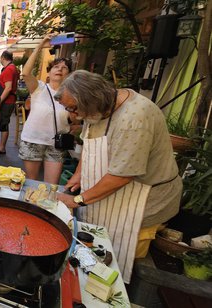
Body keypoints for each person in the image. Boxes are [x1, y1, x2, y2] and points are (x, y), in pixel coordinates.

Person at [55, 70, 182, 282]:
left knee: (118, 259)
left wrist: (77, 200)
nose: (74, 116)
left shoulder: (134, 118)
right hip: (111, 195)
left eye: (74, 109)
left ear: (90, 100)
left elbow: (122, 176)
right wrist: (79, 173)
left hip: (143, 200)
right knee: (95, 251)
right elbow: (89, 143)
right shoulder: (97, 108)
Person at [19, 35, 73, 184]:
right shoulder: (40, 88)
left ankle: (45, 208)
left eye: (64, 68)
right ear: (49, 72)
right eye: (56, 67)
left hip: (57, 143)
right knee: (32, 182)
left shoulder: (72, 94)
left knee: (51, 186)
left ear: (69, 74)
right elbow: (25, 73)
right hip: (33, 140)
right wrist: (40, 45)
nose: (60, 70)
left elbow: (75, 120)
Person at [0, 50, 19, 155]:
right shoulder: (12, 68)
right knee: (3, 123)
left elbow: (8, 88)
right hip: (9, 100)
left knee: (4, 124)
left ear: (2, 58)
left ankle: (2, 147)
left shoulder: (9, 69)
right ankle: (1, 144)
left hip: (7, 101)